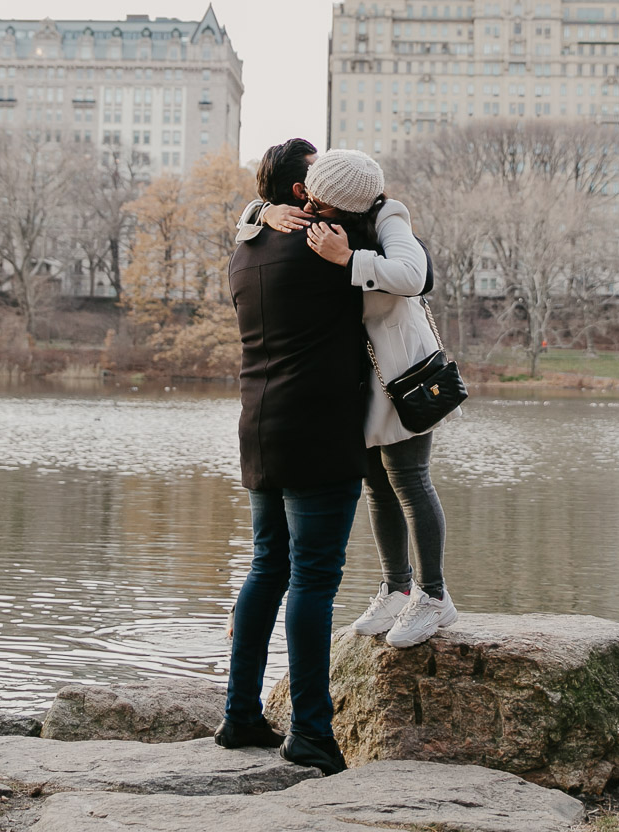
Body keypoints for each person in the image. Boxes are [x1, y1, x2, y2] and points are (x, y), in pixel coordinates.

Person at [239, 146, 456, 649]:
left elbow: (416, 276)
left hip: (402, 371)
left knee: (410, 479)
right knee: (377, 483)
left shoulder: (387, 217)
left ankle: (434, 595)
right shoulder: (327, 219)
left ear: (345, 202)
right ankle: (397, 587)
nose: (308, 205)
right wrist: (262, 211)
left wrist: (348, 259)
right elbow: (249, 223)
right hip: (359, 375)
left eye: (317, 198)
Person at [216, 139, 370, 776]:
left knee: (267, 569)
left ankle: (240, 714)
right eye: (320, 171)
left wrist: (257, 210)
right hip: (319, 431)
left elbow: (255, 216)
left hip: (260, 427)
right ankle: (309, 731)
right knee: (313, 578)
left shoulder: (245, 249)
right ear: (304, 190)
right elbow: (419, 269)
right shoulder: (325, 242)